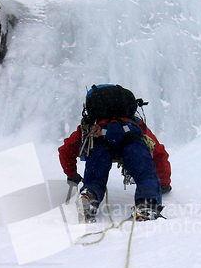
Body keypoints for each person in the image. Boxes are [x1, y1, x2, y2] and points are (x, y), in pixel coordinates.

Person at [58, 84, 171, 222]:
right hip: (131, 139)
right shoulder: (135, 122)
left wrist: (72, 175)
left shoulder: (90, 126)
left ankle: (88, 196)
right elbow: (159, 153)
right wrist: (164, 183)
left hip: (100, 138)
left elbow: (66, 150)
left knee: (94, 180)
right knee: (145, 174)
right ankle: (146, 205)